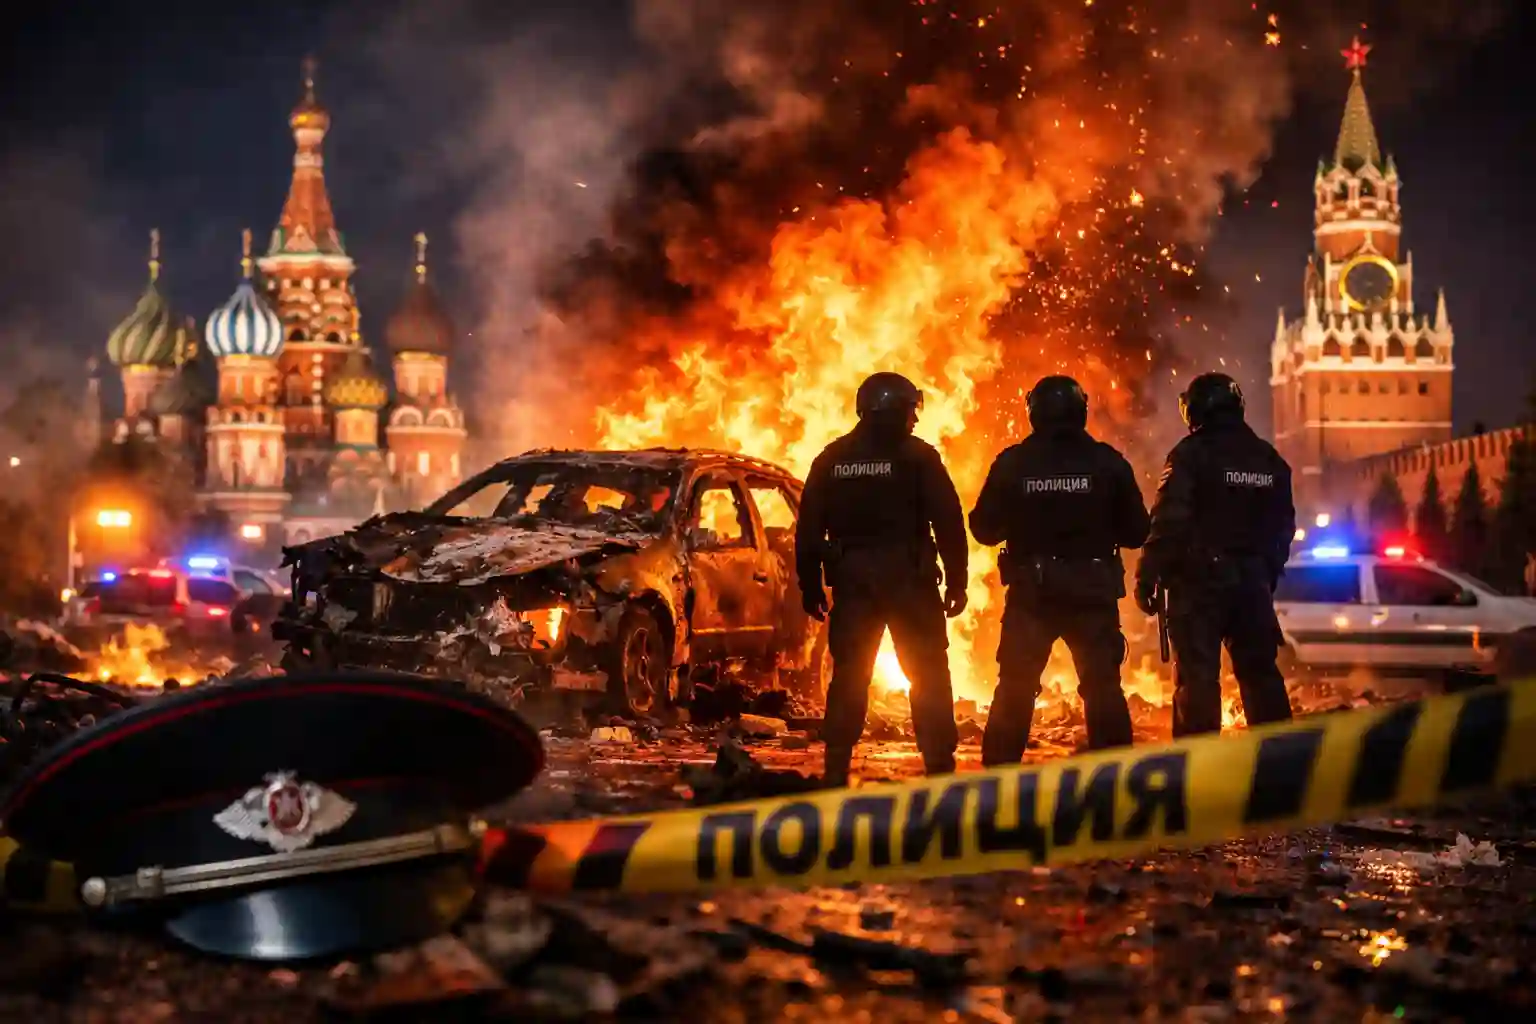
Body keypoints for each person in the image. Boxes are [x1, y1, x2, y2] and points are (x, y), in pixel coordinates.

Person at [796, 372, 969, 786]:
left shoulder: (832, 460)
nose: (914, 420)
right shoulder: (919, 458)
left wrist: (810, 584)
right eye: (911, 411)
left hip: (855, 585)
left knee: (851, 675)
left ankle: (836, 766)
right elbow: (948, 522)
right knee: (927, 673)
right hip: (912, 583)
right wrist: (958, 581)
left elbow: (808, 529)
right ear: (896, 411)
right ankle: (940, 768)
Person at [969, 375, 1150, 763]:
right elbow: (1137, 531)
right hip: (1092, 595)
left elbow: (983, 528)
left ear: (1034, 413)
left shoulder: (1014, 462)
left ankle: (996, 787)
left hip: (1032, 597)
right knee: (1103, 688)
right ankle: (1114, 785)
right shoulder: (1108, 462)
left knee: (1015, 688)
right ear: (1081, 411)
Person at [1134, 372, 1296, 736]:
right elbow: (1283, 526)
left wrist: (1147, 574)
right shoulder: (1267, 458)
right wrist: (1264, 571)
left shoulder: (1190, 455)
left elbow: (1168, 521)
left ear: (1195, 410)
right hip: (1252, 587)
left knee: (1198, 680)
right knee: (1261, 676)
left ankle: (1198, 771)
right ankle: (1280, 764)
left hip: (1198, 588)